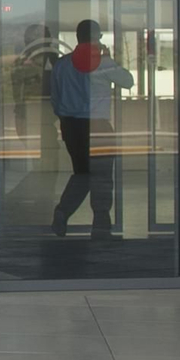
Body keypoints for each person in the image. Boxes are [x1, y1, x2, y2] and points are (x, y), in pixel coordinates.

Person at [48, 19, 134, 237]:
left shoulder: (62, 64)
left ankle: (63, 212)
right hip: (98, 125)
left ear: (77, 37)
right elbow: (128, 81)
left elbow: (55, 99)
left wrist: (65, 119)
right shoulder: (102, 63)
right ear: (97, 37)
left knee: (83, 173)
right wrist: (108, 59)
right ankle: (101, 222)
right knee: (102, 176)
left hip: (71, 127)